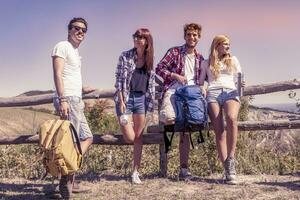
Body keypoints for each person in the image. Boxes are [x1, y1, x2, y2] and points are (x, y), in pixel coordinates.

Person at [156, 23, 204, 181]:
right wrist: (175, 76)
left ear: (199, 37)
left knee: (186, 129)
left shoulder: (200, 58)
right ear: (185, 36)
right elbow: (159, 68)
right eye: (189, 34)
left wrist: (205, 86)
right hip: (173, 92)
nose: (192, 37)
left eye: (195, 35)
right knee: (168, 118)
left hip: (191, 96)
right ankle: (163, 165)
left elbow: (209, 76)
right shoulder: (175, 52)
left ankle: (183, 170)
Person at [52, 17, 94, 198]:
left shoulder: (75, 53)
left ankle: (69, 177)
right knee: (74, 141)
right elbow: (58, 73)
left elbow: (70, 76)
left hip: (75, 99)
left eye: (84, 30)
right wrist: (62, 99)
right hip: (68, 99)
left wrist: (83, 89)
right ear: (69, 30)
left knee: (86, 138)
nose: (80, 32)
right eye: (76, 28)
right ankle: (66, 180)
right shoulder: (62, 46)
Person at [199, 34, 244, 184]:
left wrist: (242, 85)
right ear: (216, 45)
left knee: (231, 119)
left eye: (229, 44)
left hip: (230, 92)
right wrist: (202, 88)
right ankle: (227, 170)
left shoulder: (234, 60)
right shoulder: (206, 63)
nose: (228, 47)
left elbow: (240, 78)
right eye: (225, 44)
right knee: (219, 132)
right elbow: (201, 82)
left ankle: (231, 159)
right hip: (213, 94)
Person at [114, 28, 155, 184]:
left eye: (141, 37)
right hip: (126, 97)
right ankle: (125, 122)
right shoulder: (125, 56)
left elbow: (151, 83)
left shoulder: (149, 60)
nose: (137, 39)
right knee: (130, 137)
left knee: (139, 137)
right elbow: (118, 81)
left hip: (141, 100)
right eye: (135, 36)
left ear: (147, 41)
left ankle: (135, 172)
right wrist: (122, 100)